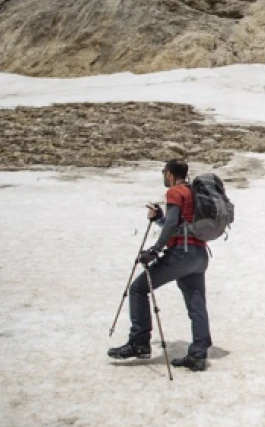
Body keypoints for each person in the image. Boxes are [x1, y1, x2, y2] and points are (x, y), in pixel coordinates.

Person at [108, 159, 212, 372]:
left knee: (138, 289)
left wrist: (154, 250)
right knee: (196, 305)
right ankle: (198, 354)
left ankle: (139, 342)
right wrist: (160, 218)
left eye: (164, 172)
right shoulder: (194, 193)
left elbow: (174, 224)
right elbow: (178, 223)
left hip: (181, 255)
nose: (164, 176)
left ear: (170, 174)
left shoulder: (175, 192)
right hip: (200, 255)